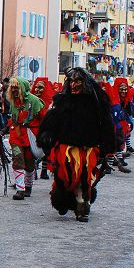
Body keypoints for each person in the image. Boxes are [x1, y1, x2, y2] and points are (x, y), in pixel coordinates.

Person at [37, 68, 116, 222]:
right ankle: (63, 200)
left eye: (78, 81)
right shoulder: (61, 100)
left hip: (87, 149)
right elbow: (51, 122)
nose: (74, 85)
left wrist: (107, 144)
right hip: (66, 149)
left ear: (85, 83)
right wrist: (47, 135)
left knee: (84, 179)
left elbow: (106, 124)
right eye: (71, 81)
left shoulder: (96, 102)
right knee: (64, 178)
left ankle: (82, 206)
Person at [6, 78, 45, 200]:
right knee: (17, 159)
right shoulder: (13, 101)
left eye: (16, 87)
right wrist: (3, 130)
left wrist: (43, 135)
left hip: (30, 135)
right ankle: (20, 189)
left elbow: (43, 119)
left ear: (22, 87)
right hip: (16, 136)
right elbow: (13, 118)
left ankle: (28, 186)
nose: (14, 89)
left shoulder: (34, 101)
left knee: (29, 163)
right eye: (12, 87)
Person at [30, 77, 55, 179]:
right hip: (33, 129)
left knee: (46, 151)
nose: (37, 90)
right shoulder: (30, 100)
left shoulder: (49, 102)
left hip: (46, 130)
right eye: (36, 87)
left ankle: (43, 171)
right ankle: (32, 170)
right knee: (31, 151)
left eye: (40, 87)